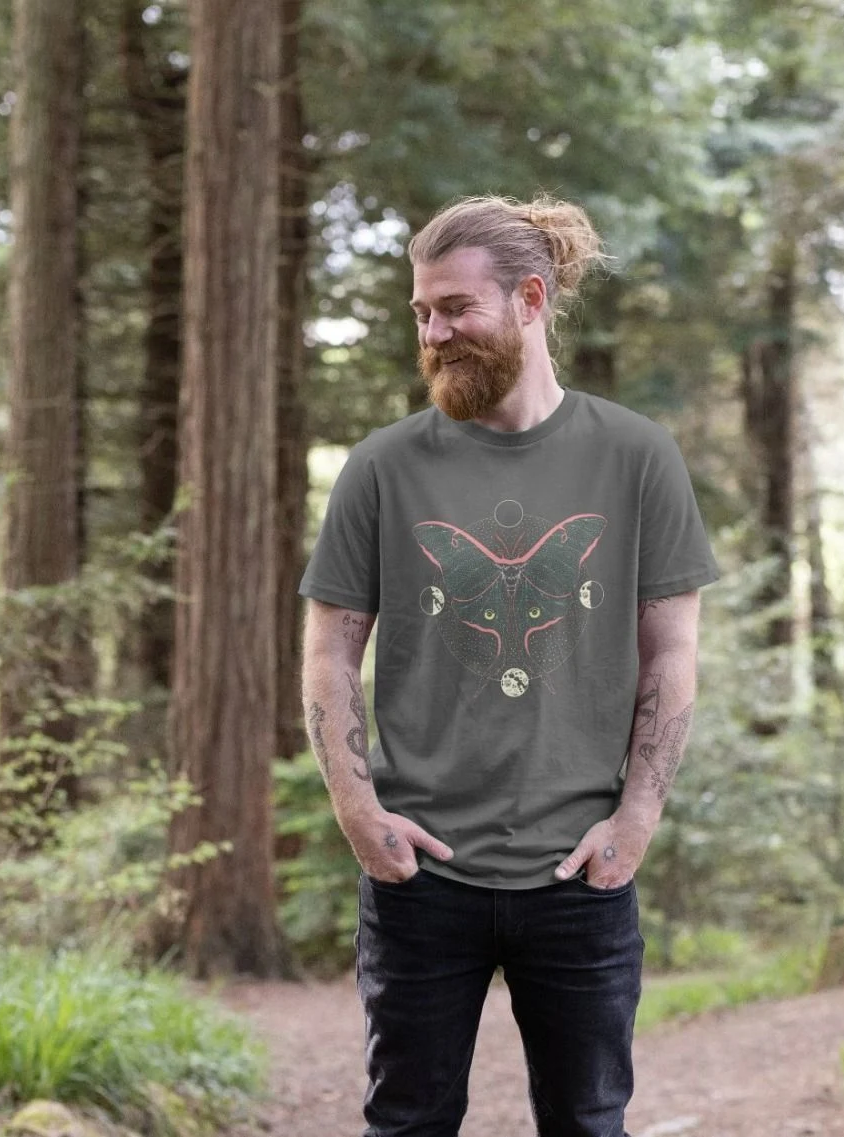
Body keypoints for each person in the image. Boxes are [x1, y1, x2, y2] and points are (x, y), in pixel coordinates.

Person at [299, 194, 719, 1137]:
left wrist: (636, 819)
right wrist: (359, 812)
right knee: (406, 1122)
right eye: (422, 312)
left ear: (531, 300)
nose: (433, 333)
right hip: (421, 872)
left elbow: (671, 650)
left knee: (589, 1122)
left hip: (580, 873)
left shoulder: (638, 456)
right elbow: (329, 648)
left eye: (455, 308)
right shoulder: (382, 467)